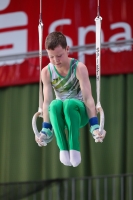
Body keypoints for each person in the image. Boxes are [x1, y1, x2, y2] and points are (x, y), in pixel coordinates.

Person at [35, 31, 106, 167]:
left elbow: (88, 98)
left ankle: (74, 148)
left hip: (79, 113)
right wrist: (45, 128)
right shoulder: (46, 72)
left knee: (68, 103)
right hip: (60, 115)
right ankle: (63, 148)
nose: (56, 60)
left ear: (67, 49)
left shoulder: (79, 68)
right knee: (55, 104)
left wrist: (95, 125)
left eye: (59, 55)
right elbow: (47, 102)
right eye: (51, 57)